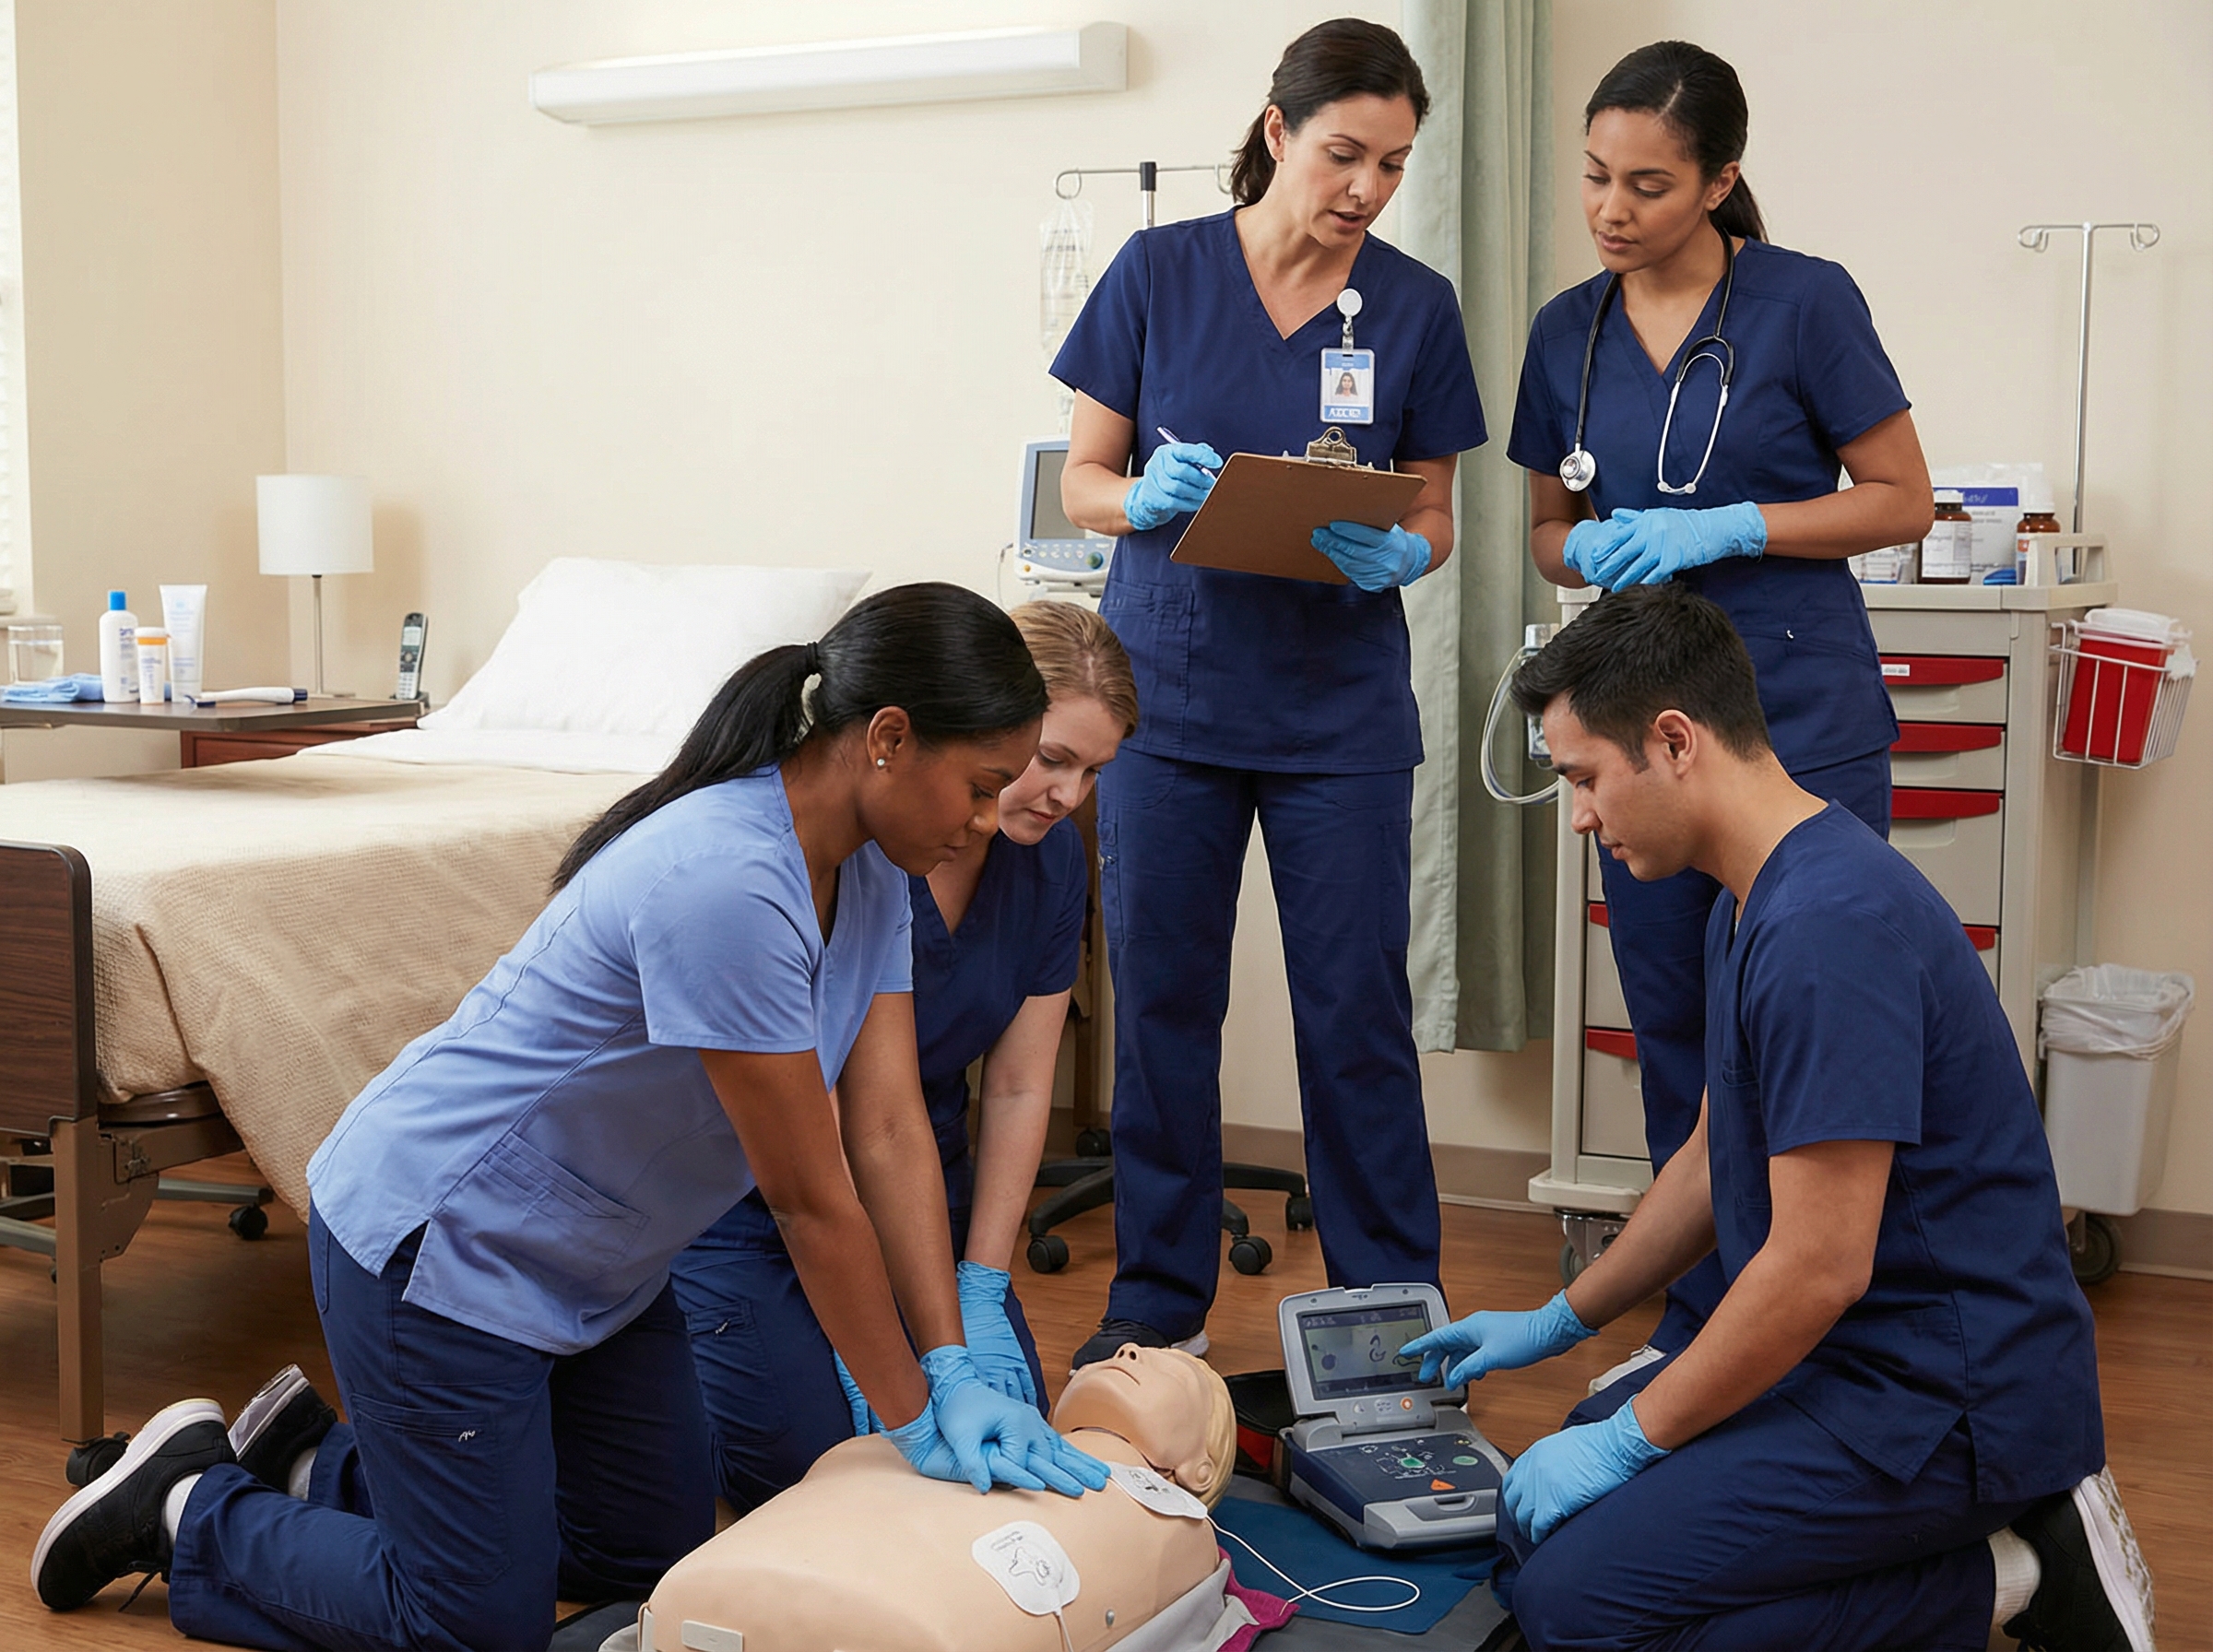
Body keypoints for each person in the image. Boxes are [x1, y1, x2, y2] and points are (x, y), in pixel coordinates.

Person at [31, 583, 1110, 1651]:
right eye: (979, 786)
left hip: (599, 1259)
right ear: (886, 738)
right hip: (442, 1249)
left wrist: (953, 1357)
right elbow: (811, 1199)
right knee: (473, 1627)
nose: (987, 819)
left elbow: (886, 1131)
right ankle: (187, 1507)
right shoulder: (728, 882)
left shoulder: (868, 872)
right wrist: (920, 1415)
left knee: (641, 1556)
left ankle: (315, 1455)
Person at [1403, 585, 2150, 1652]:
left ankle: (2013, 1570)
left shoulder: (1826, 929)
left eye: (1583, 779)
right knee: (1532, 1515)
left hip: (1945, 1403)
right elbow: (1714, 1161)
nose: (1579, 817)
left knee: (1578, 1602)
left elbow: (1816, 1269)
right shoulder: (1754, 894)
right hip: (1853, 1359)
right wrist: (1560, 1319)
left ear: (1673, 741)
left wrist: (1631, 1445)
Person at [1052, 17, 1486, 1368]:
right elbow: (1082, 484)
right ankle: (1154, 1304)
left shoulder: (1413, 307)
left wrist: (1401, 548)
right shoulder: (1157, 272)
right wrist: (1145, 499)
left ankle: (1387, 1308)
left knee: (1355, 1013)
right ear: (1279, 130)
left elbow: (1440, 513)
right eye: (1345, 154)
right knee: (1167, 1007)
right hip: (1168, 699)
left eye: (1394, 165)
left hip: (1337, 712)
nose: (1364, 188)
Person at [1509, 41, 1936, 1359]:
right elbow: (1543, 525)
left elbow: (1899, 498)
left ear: (1720, 182)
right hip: (1640, 725)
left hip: (1794, 712)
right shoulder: (1565, 333)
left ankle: (1832, 1310)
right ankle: (1697, 1322)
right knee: (1678, 1028)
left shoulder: (1805, 304)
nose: (1611, 209)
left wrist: (1733, 526)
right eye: (1595, 178)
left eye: (1647, 183)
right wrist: (1596, 548)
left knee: (1809, 1019)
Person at [674, 600, 1139, 1508]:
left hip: (923, 1184)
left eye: (1093, 772)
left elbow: (1013, 1089)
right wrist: (898, 1363)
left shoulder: (1048, 863)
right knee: (824, 1467)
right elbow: (842, 1126)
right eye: (1050, 760)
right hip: (769, 1196)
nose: (1068, 797)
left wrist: (980, 1287)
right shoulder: (864, 850)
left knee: (1010, 1450)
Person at [638, 1345, 1242, 1652]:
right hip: (718, 1594)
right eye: (1119, 1353)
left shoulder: (1176, 1528)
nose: (1128, 1352)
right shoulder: (950, 1443)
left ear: (1199, 1466)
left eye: (1169, 1368)